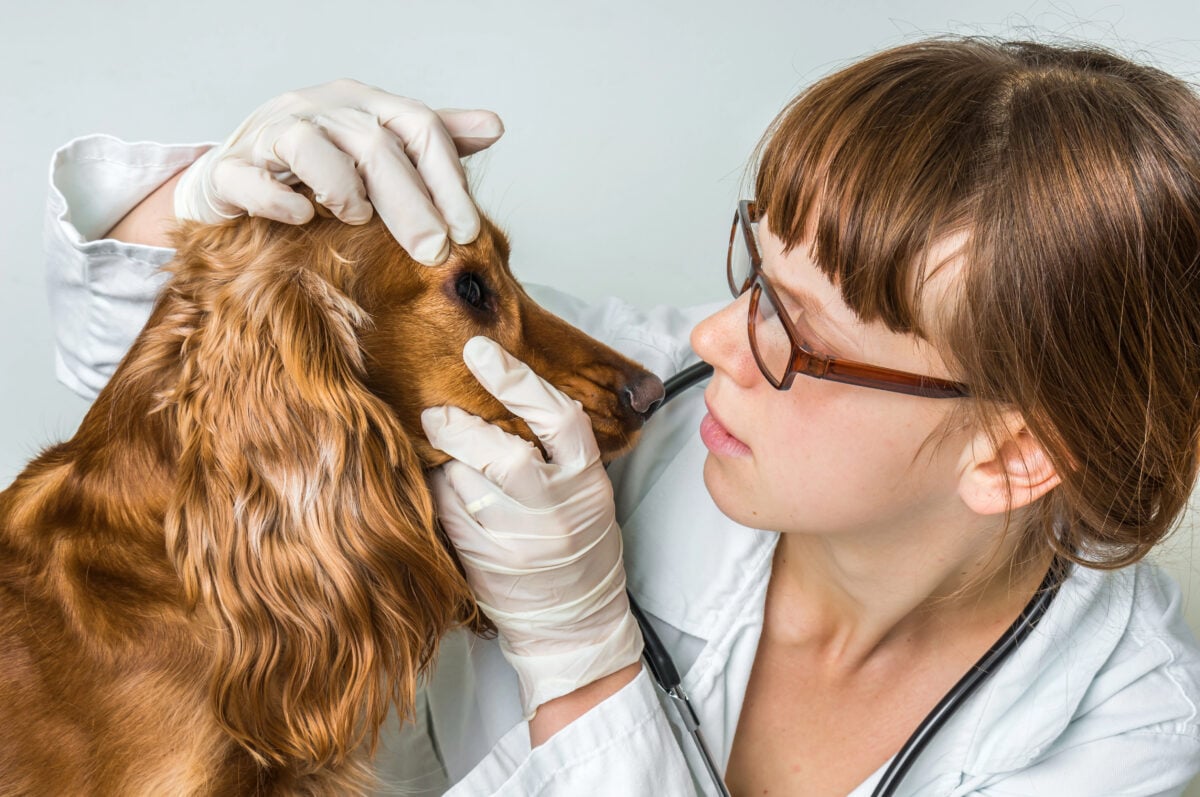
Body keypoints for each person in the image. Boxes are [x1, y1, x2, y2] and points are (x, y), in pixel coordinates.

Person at [41, 37, 1200, 796]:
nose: (708, 341)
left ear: (1014, 452)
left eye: (798, 330)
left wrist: (588, 663)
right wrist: (193, 213)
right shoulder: (633, 396)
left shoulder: (1120, 735)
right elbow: (189, 471)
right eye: (756, 269)